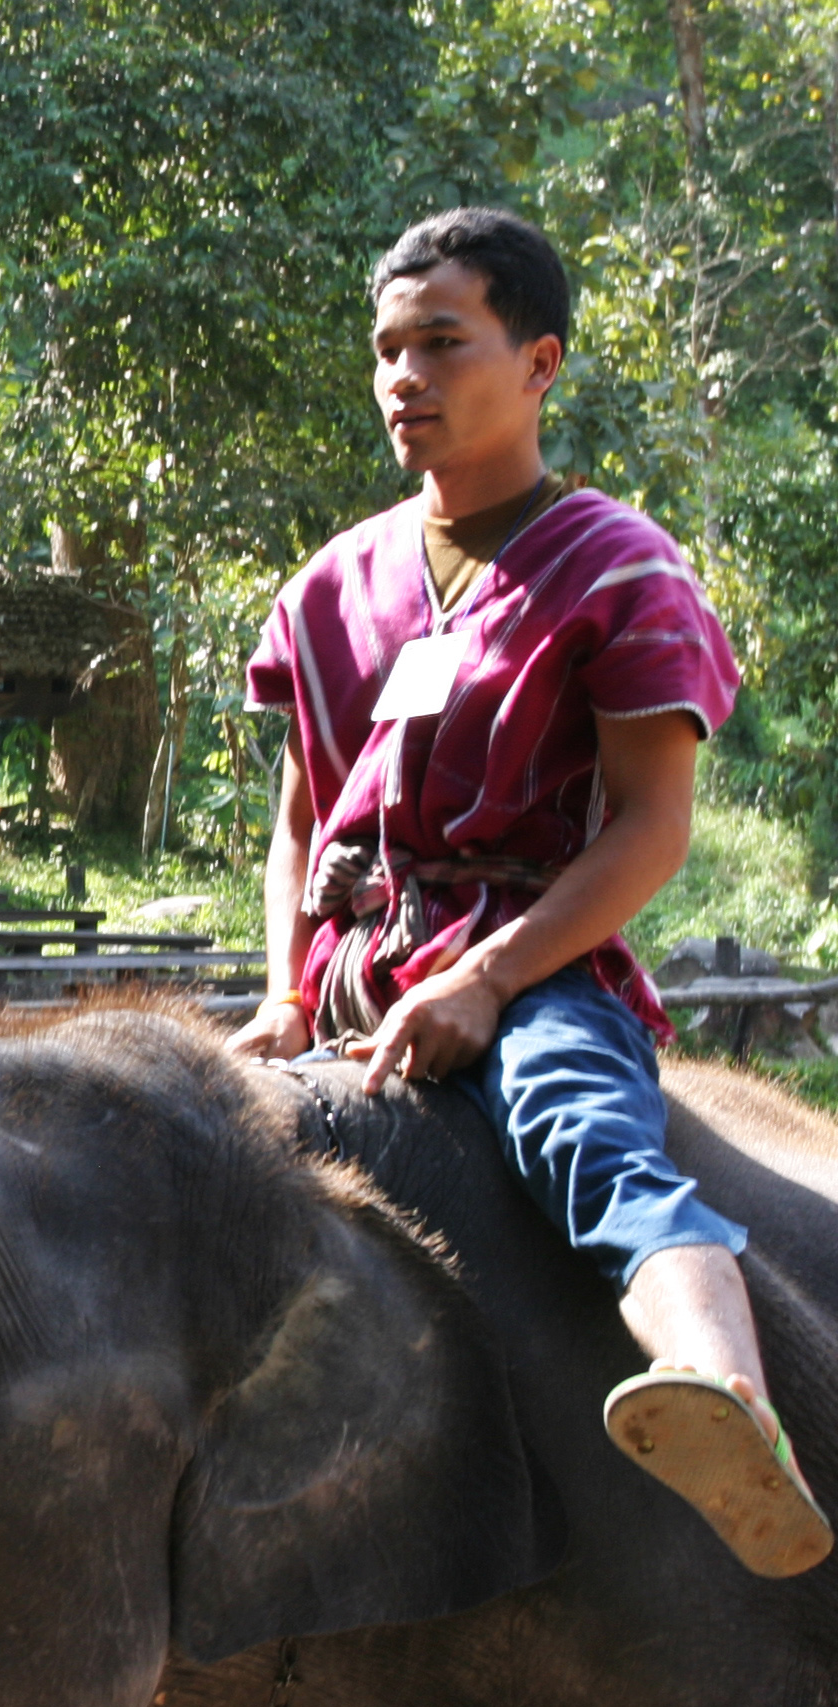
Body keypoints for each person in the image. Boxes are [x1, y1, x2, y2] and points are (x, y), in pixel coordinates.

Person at [227, 208, 828, 1576]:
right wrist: (281, 992)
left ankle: (724, 1389)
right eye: (387, 349)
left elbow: (653, 829)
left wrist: (490, 978)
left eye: (443, 342)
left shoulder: (620, 566)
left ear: (540, 362)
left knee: (579, 1129)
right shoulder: (330, 588)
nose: (404, 376)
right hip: (349, 983)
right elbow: (301, 820)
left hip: (534, 970)